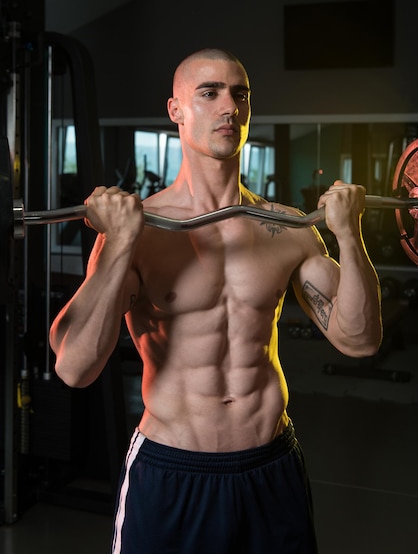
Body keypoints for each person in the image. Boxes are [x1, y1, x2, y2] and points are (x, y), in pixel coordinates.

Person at [49, 48, 382, 554]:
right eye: (210, 92)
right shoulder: (139, 233)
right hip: (171, 473)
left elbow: (359, 340)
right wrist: (117, 241)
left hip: (271, 468)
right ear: (176, 110)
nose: (229, 106)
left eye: (240, 94)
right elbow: (75, 368)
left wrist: (350, 236)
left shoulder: (286, 228)